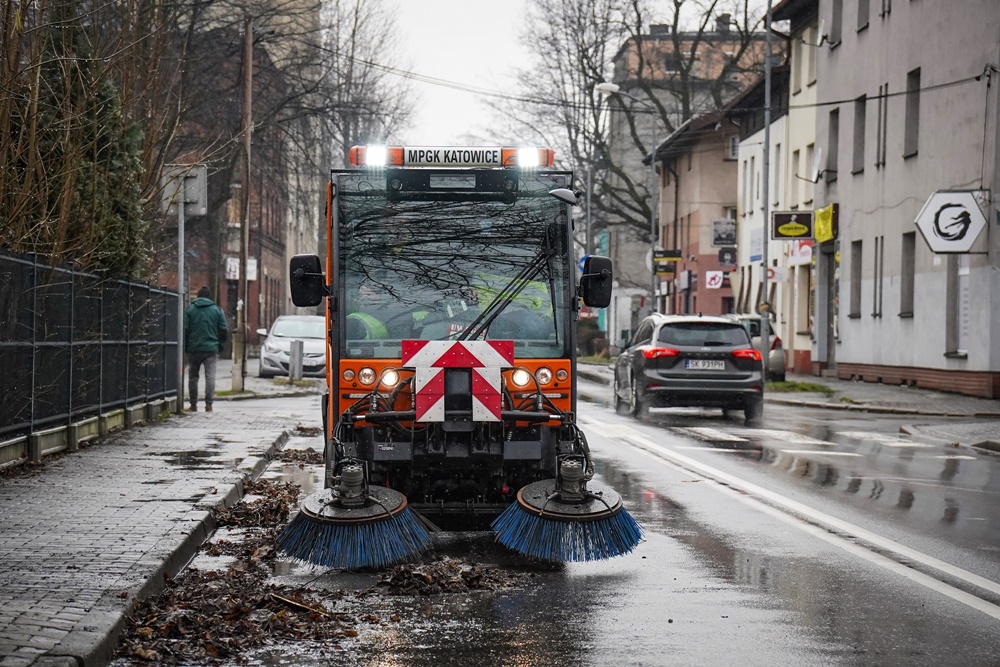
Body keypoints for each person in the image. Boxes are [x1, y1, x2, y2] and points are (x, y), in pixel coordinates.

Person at [184, 286, 228, 412]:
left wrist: (187, 347)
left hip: (194, 348)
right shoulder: (217, 310)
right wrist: (219, 346)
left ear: (198, 296)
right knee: (210, 376)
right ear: (209, 297)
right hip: (211, 349)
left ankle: (193, 405)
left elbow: (185, 330)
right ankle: (209, 405)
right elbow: (223, 330)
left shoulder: (190, 310)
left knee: (193, 377)